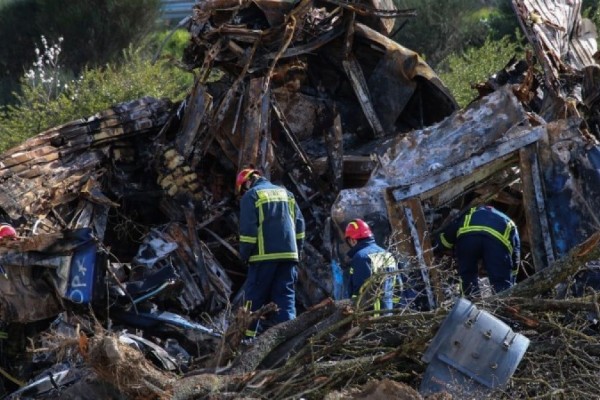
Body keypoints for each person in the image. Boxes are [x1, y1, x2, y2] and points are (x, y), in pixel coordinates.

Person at [236, 168, 305, 340]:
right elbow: (300, 227)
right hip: (289, 256)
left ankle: (246, 340)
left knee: (253, 299)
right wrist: (298, 251)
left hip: (263, 257)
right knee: (286, 298)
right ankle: (289, 340)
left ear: (246, 183)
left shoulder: (251, 195)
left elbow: (248, 232)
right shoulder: (287, 194)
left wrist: (244, 255)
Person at [437, 205, 520, 297]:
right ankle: (504, 307)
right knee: (501, 283)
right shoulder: (509, 222)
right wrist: (512, 279)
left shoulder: (470, 212)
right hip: (496, 244)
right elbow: (515, 257)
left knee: (467, 276)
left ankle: (469, 305)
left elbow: (446, 239)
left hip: (468, 240)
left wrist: (438, 245)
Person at [345, 219, 398, 313]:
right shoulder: (387, 254)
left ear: (352, 240)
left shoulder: (361, 257)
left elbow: (359, 293)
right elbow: (398, 287)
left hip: (369, 319)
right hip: (388, 316)